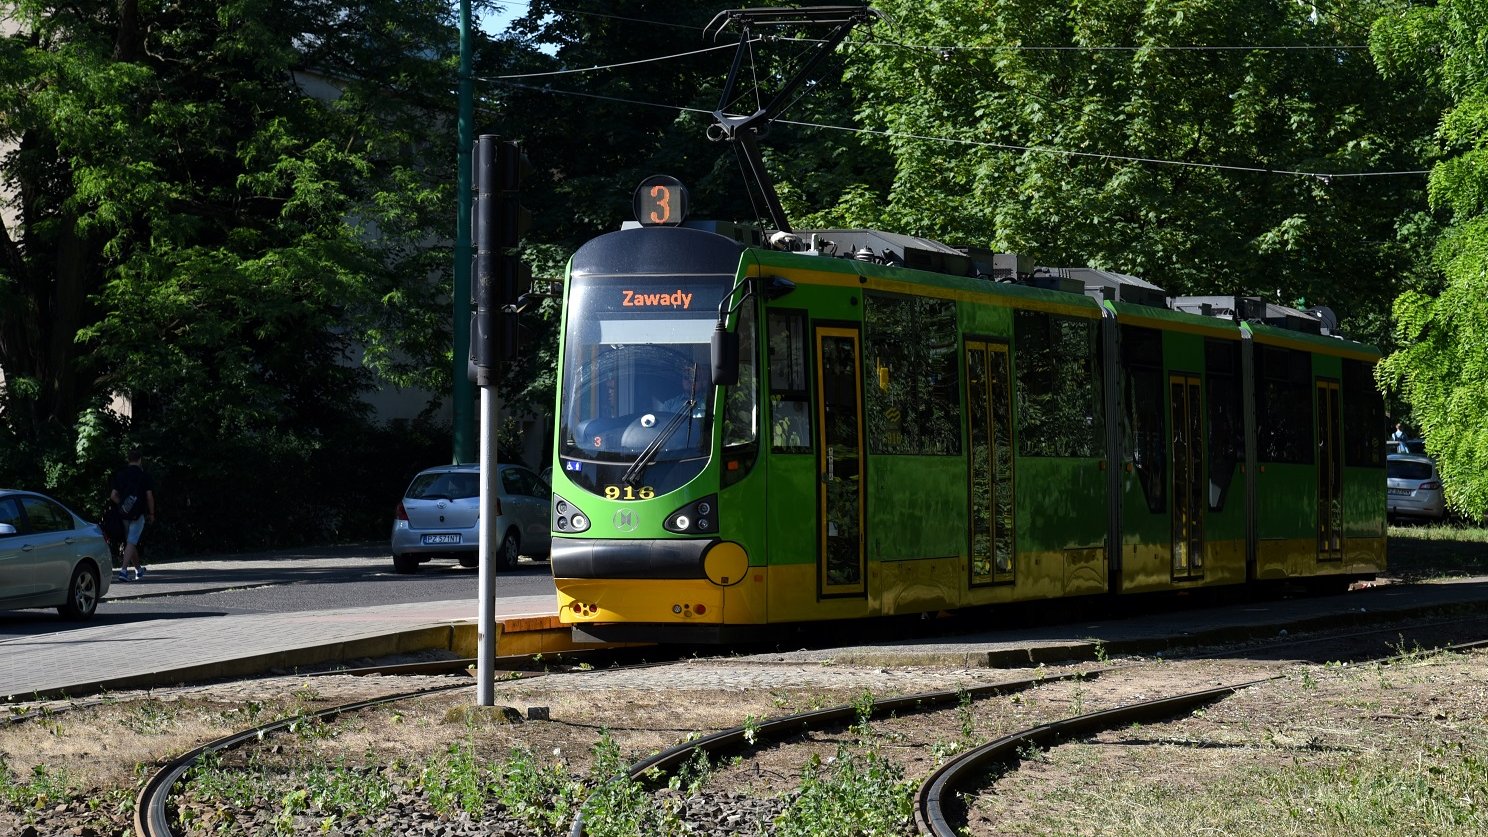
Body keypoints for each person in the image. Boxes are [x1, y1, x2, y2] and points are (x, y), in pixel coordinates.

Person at [109, 447, 156, 582]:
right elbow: (149, 496)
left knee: (130, 541)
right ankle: (123, 571)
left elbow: (113, 495)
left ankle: (138, 570)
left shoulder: (121, 474)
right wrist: (152, 513)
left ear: (128, 459)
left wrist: (123, 505)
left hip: (123, 514)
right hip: (138, 513)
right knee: (131, 541)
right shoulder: (144, 475)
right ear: (140, 460)